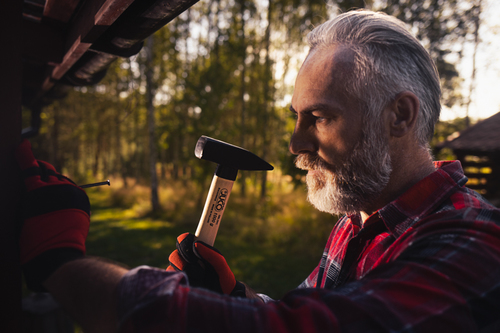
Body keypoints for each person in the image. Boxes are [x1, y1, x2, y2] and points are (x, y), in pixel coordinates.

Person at [17, 9, 500, 332]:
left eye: (319, 117)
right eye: (296, 117)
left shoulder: (473, 244)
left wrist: (58, 263)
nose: (294, 144)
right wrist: (234, 293)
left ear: (399, 116)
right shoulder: (361, 219)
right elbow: (302, 311)